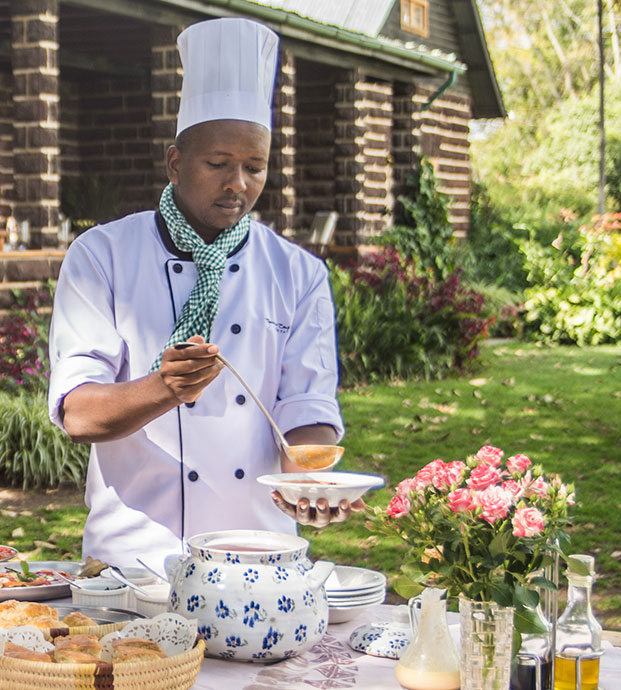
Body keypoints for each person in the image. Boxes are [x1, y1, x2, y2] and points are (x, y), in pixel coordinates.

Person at [46, 18, 363, 567]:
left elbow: (305, 409)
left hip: (261, 554)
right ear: (175, 162)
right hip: (133, 559)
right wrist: (163, 387)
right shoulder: (102, 255)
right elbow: (79, 412)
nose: (238, 184)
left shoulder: (298, 273)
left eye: (255, 167)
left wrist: (311, 482)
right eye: (218, 164)